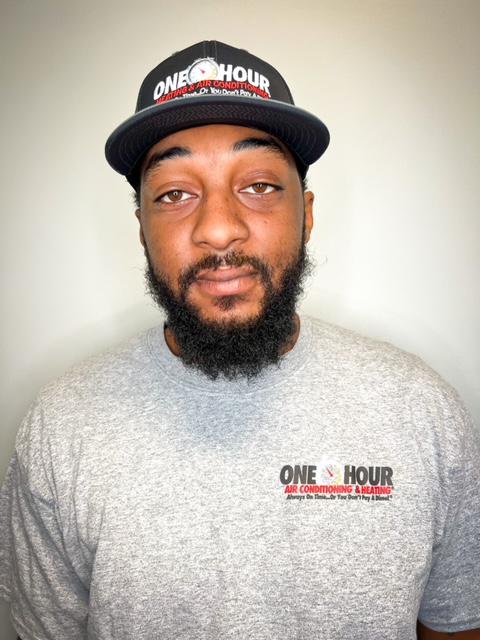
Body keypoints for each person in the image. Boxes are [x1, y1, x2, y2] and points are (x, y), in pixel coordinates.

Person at [1, 40, 479, 640]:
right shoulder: (60, 428)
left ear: (306, 214)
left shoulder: (421, 410)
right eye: (174, 194)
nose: (219, 228)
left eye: (258, 185)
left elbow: (457, 625)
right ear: (142, 229)